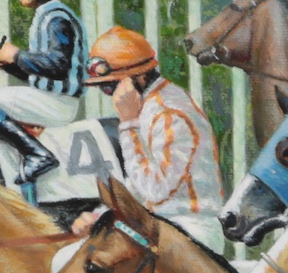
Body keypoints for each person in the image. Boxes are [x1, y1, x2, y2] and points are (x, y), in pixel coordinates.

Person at [76, 25, 226, 252]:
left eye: (111, 87)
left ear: (140, 77)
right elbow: (138, 184)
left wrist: (128, 124)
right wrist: (99, 216)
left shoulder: (169, 113)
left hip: (190, 229)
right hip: (161, 226)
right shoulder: (149, 106)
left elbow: (155, 190)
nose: (111, 96)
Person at [0, 0, 87, 184]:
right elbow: (41, 74)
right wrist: (7, 64)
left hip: (57, 103)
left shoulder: (56, 18)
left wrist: (16, 55)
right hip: (50, 98)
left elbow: (58, 66)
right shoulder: (46, 15)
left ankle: (37, 154)